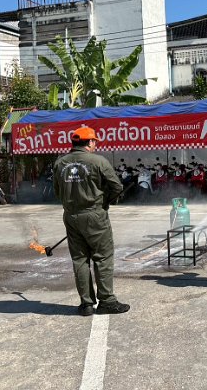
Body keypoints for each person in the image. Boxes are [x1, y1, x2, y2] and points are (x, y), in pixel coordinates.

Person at [53, 126, 130, 316]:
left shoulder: (60, 163)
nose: (95, 144)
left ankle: (86, 304)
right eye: (94, 141)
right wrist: (104, 203)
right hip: (95, 215)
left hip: (71, 216)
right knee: (102, 257)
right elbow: (117, 187)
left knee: (79, 259)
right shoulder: (98, 161)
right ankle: (107, 301)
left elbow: (57, 191)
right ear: (89, 142)